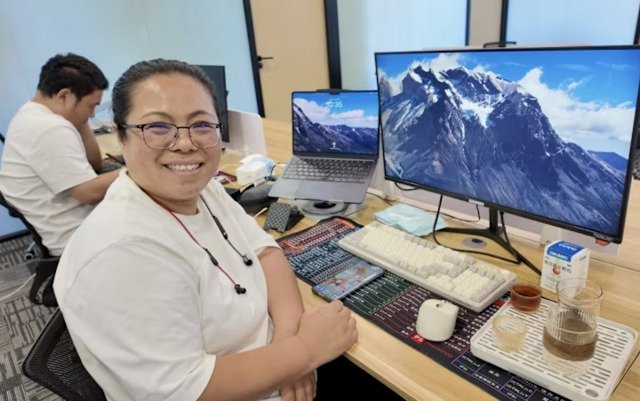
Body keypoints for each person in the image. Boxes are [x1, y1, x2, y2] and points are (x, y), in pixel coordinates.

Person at [53, 59, 358, 401]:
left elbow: (266, 253)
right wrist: (304, 351)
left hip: (278, 361)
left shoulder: (204, 191)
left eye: (200, 125)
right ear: (121, 135)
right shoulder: (122, 252)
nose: (185, 143)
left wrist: (291, 347)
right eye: (158, 127)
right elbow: (186, 390)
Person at [0, 53, 120, 305]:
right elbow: (87, 193)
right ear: (64, 96)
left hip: (62, 224)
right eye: (91, 106)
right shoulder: (49, 128)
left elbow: (93, 163)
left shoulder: (32, 114)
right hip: (79, 241)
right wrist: (138, 169)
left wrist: (79, 118)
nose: (93, 113)